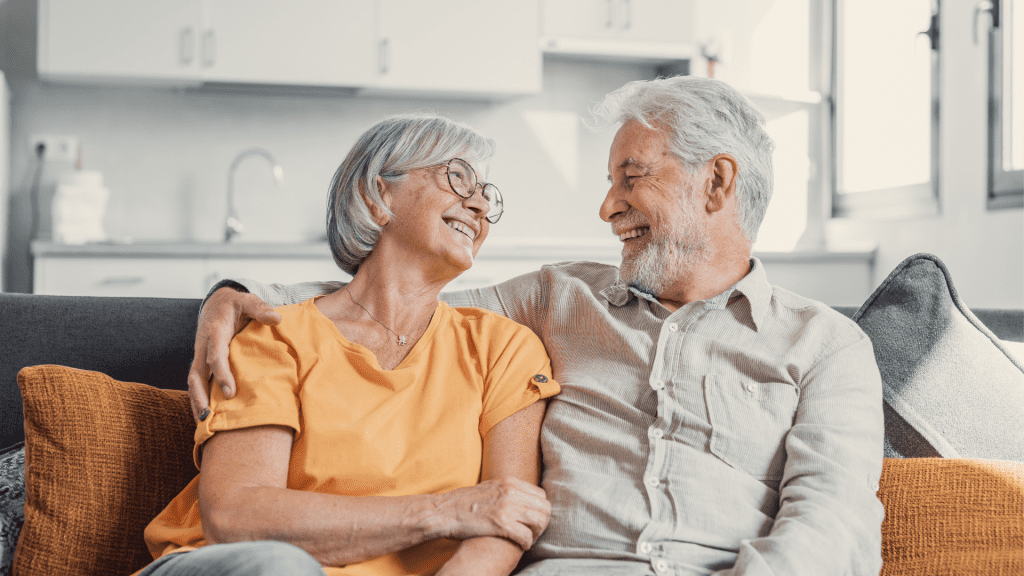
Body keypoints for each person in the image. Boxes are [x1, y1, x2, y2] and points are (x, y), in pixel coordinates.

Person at [189, 76, 885, 576]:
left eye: (630, 177)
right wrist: (241, 293)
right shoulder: (555, 299)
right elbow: (393, 299)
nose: (608, 207)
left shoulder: (825, 345)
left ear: (717, 183)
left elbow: (831, 522)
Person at [138, 113, 560, 576]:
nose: (479, 205)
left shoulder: (504, 348)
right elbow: (234, 518)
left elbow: (503, 527)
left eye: (486, 194)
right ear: (379, 196)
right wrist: (444, 511)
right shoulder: (276, 337)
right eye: (458, 177)